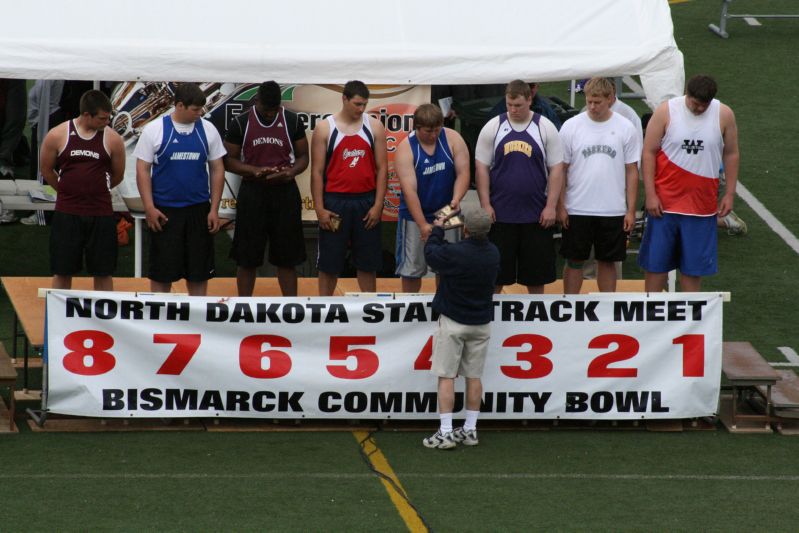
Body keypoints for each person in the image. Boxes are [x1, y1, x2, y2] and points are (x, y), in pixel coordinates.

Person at [638, 74, 740, 292]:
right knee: (656, 266)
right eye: (695, 103)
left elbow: (731, 154)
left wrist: (730, 193)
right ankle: (651, 315)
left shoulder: (724, 114)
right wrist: (650, 194)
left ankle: (689, 321)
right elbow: (648, 152)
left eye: (704, 105)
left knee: (693, 270)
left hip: (701, 208)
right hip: (664, 206)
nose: (699, 109)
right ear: (687, 93)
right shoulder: (666, 111)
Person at [134, 83, 226, 296]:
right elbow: (142, 170)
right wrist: (149, 208)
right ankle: (159, 318)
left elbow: (217, 169)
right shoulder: (155, 130)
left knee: (199, 272)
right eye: (195, 109)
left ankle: (198, 319)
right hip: (165, 212)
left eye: (201, 109)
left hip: (198, 210)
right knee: (161, 273)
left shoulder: (208, 129)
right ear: (180, 105)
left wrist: (214, 209)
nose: (200, 113)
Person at [475, 79, 565, 294]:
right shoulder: (494, 126)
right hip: (501, 215)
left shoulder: (544, 127)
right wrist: (485, 204)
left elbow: (556, 169)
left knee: (536, 277)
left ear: (529, 100)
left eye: (518, 105)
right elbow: (481, 168)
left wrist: (551, 206)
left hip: (536, 215)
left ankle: (536, 320)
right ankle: (492, 317)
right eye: (509, 105)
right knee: (496, 275)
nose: (513, 110)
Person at [422, 206, 500, 449]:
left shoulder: (455, 253)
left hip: (454, 321)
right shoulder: (494, 253)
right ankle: (470, 430)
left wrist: (438, 229)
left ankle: (445, 432)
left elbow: (431, 254)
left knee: (447, 376)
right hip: (481, 323)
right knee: (474, 377)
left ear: (464, 228)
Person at [224, 81, 309, 296]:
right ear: (257, 101)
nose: (270, 114)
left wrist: (290, 172)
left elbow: (303, 157)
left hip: (285, 190)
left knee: (287, 257)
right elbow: (229, 161)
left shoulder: (291, 120)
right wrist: (253, 171)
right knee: (247, 257)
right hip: (253, 191)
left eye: (274, 110)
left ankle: (291, 306)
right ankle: (243, 305)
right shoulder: (241, 122)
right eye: (266, 110)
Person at [557, 77, 640, 294]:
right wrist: (561, 204)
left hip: (612, 208)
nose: (592, 107)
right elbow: (561, 169)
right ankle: (570, 305)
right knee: (575, 260)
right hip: (577, 207)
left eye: (598, 102)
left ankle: (607, 307)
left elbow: (632, 170)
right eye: (589, 101)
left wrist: (631, 210)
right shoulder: (571, 126)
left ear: (610, 98)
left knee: (607, 261)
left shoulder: (625, 128)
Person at [39, 89, 126, 290]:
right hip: (67, 212)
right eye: (102, 118)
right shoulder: (57, 135)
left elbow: (118, 174)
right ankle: (59, 316)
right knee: (62, 269)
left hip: (101, 212)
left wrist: (96, 189)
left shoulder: (112, 139)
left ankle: (104, 317)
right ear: (87, 115)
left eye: (108, 117)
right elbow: (46, 169)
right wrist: (66, 191)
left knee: (103, 270)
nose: (107, 122)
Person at [310, 80, 387, 296]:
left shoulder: (374, 126)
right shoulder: (325, 128)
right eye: (357, 104)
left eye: (364, 104)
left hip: (366, 202)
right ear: (344, 99)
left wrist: (378, 204)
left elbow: (383, 169)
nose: (361, 109)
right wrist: (320, 209)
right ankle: (323, 309)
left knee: (367, 263)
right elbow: (316, 172)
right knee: (329, 262)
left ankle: (369, 307)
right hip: (335, 203)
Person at [395, 104, 470, 293]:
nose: (434, 135)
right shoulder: (406, 148)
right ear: (417, 127)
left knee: (449, 266)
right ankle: (410, 311)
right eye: (429, 131)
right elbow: (409, 190)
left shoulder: (453, 138)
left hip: (447, 211)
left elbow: (463, 173)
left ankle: (446, 309)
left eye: (437, 130)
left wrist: (456, 199)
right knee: (412, 269)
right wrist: (422, 224)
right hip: (415, 215)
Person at [490, 82, 562, 129]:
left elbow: (556, 132)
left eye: (531, 85)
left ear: (538, 85)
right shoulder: (497, 113)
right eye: (509, 105)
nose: (526, 89)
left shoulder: (545, 108)